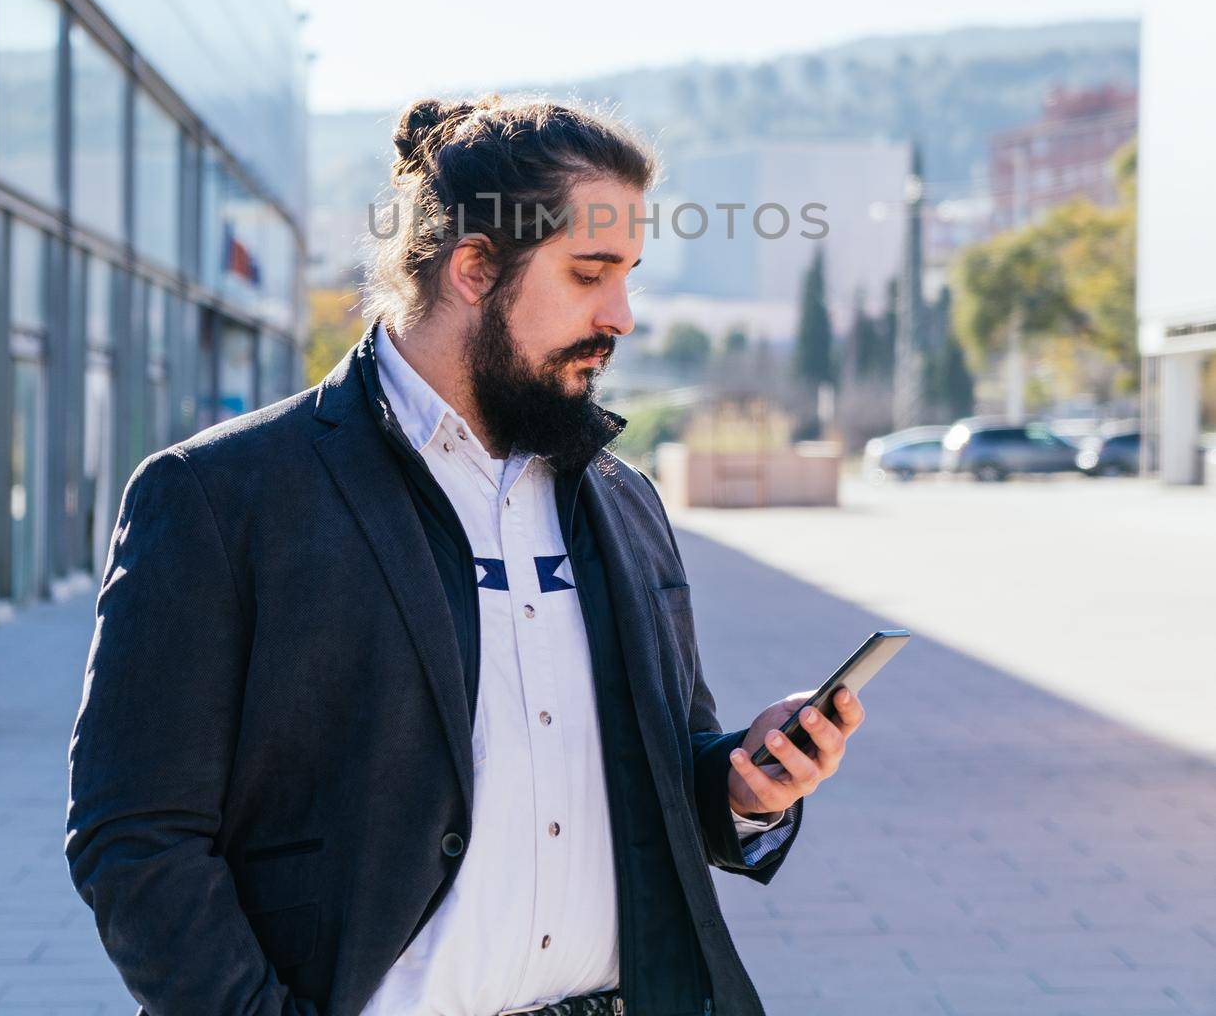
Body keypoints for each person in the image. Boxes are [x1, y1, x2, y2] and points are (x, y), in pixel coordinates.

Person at [65, 94, 864, 1016]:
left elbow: (660, 779)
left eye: (630, 275)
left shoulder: (623, 499)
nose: (623, 315)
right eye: (590, 273)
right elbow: (136, 837)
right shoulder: (220, 496)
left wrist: (744, 783)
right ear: (475, 268)